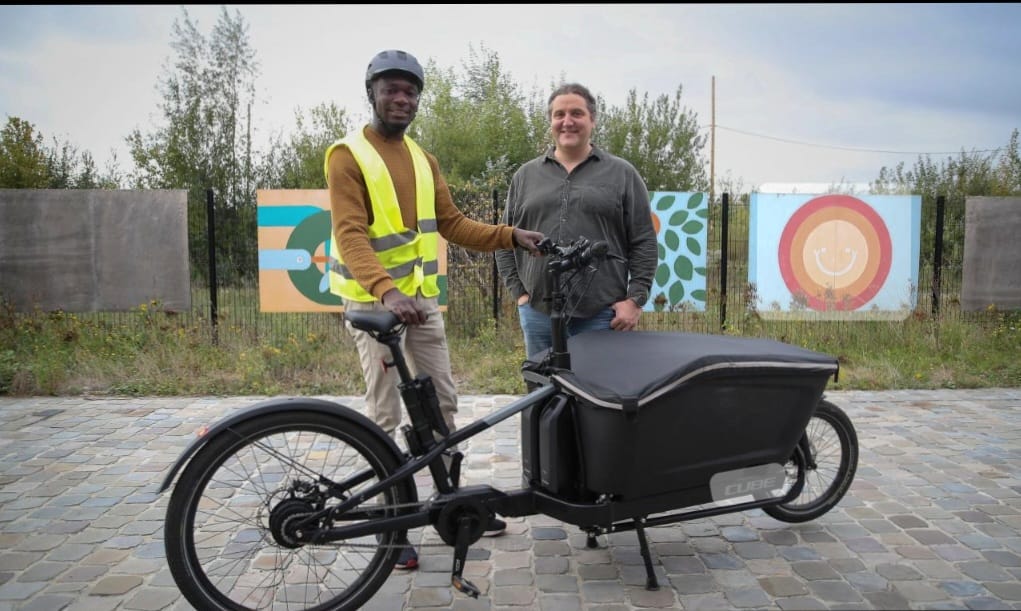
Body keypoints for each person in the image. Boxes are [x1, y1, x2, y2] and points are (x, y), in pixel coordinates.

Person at [325, 49, 544, 570]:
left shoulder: (424, 160)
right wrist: (386, 291)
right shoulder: (348, 155)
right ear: (372, 93)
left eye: (410, 91)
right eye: (391, 89)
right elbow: (350, 234)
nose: (401, 99)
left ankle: (453, 507)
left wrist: (510, 235)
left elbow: (453, 223)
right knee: (385, 414)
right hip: (375, 303)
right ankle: (392, 527)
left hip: (419, 301)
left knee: (442, 405)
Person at [496, 82, 657, 360]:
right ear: (550, 121)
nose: (567, 122)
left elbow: (643, 241)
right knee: (543, 385)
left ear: (592, 119)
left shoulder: (622, 174)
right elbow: (504, 238)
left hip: (602, 313)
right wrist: (520, 295)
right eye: (559, 114)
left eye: (577, 114)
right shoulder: (525, 176)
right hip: (538, 312)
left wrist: (635, 300)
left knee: (599, 385)